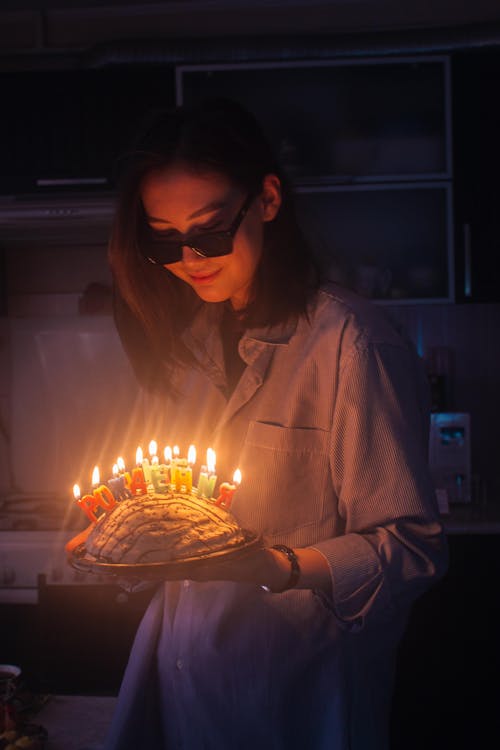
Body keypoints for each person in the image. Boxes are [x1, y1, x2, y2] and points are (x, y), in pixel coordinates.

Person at [105, 97, 447, 750]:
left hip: (298, 693)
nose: (189, 258)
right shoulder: (191, 343)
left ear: (265, 199)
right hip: (190, 679)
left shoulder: (351, 344)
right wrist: (132, 546)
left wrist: (278, 566)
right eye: (163, 239)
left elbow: (413, 549)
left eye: (208, 231)